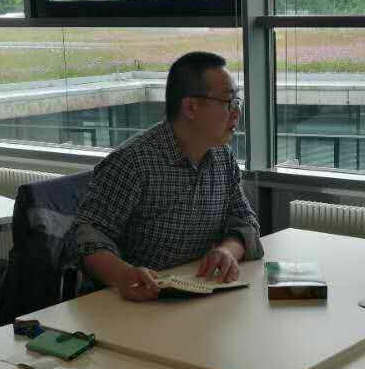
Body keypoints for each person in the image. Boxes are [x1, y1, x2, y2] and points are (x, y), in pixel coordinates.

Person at [67, 51, 263, 302]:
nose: (236, 113)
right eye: (228, 102)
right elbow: (85, 236)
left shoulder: (223, 158)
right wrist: (122, 275)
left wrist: (228, 251)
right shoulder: (134, 162)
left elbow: (245, 221)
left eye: (237, 101)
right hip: (129, 302)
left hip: (191, 297)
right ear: (190, 107)